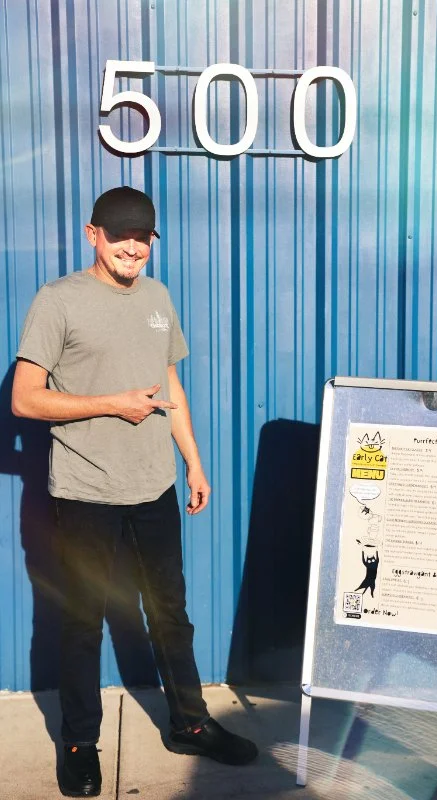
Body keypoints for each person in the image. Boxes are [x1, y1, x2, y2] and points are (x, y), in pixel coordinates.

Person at [12, 186, 257, 797]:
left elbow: (167, 380)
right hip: (85, 491)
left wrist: (194, 464)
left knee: (170, 615)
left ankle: (191, 725)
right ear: (92, 234)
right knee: (81, 622)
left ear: (152, 240)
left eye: (141, 236)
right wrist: (110, 405)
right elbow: (24, 397)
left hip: (155, 488)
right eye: (118, 234)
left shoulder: (157, 296)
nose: (131, 247)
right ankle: (78, 743)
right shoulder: (57, 301)